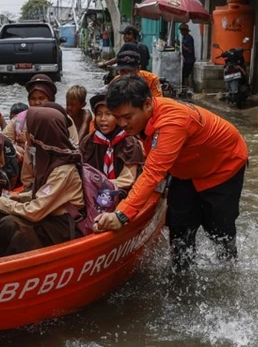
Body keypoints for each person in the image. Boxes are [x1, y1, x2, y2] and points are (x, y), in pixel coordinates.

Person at [93, 76, 248, 273]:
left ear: (148, 105)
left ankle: (229, 271)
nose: (122, 124)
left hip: (223, 168)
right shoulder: (139, 118)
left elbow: (153, 172)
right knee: (179, 226)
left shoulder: (172, 121)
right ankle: (181, 278)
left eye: (128, 117)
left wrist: (121, 215)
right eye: (117, 117)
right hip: (183, 170)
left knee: (219, 227)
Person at [0, 106, 86, 258]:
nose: (25, 134)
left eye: (29, 130)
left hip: (62, 225)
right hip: (48, 214)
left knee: (10, 224)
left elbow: (35, 212)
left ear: (40, 135)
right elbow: (41, 193)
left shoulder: (63, 169)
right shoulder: (47, 157)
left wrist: (2, 202)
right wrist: (14, 197)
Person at [79, 92, 145, 191]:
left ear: (118, 117)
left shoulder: (129, 142)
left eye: (108, 114)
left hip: (122, 192)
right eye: (99, 114)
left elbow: (127, 180)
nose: (103, 119)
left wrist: (101, 184)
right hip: (91, 190)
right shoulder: (88, 141)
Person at [179, 24, 196, 88]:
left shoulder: (189, 38)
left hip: (189, 60)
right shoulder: (184, 38)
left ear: (185, 31)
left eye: (181, 31)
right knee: (183, 74)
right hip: (185, 59)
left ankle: (186, 88)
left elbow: (189, 50)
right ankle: (184, 88)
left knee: (186, 75)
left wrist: (182, 45)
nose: (180, 32)